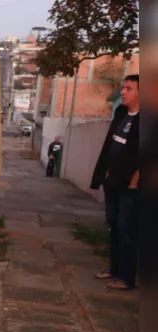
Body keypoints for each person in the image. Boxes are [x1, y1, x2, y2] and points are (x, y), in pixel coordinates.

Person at [90, 74, 139, 290]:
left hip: (131, 187)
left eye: (128, 88)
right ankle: (114, 269)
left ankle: (127, 277)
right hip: (113, 181)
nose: (123, 92)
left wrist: (135, 181)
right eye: (123, 88)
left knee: (126, 229)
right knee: (114, 226)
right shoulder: (121, 114)